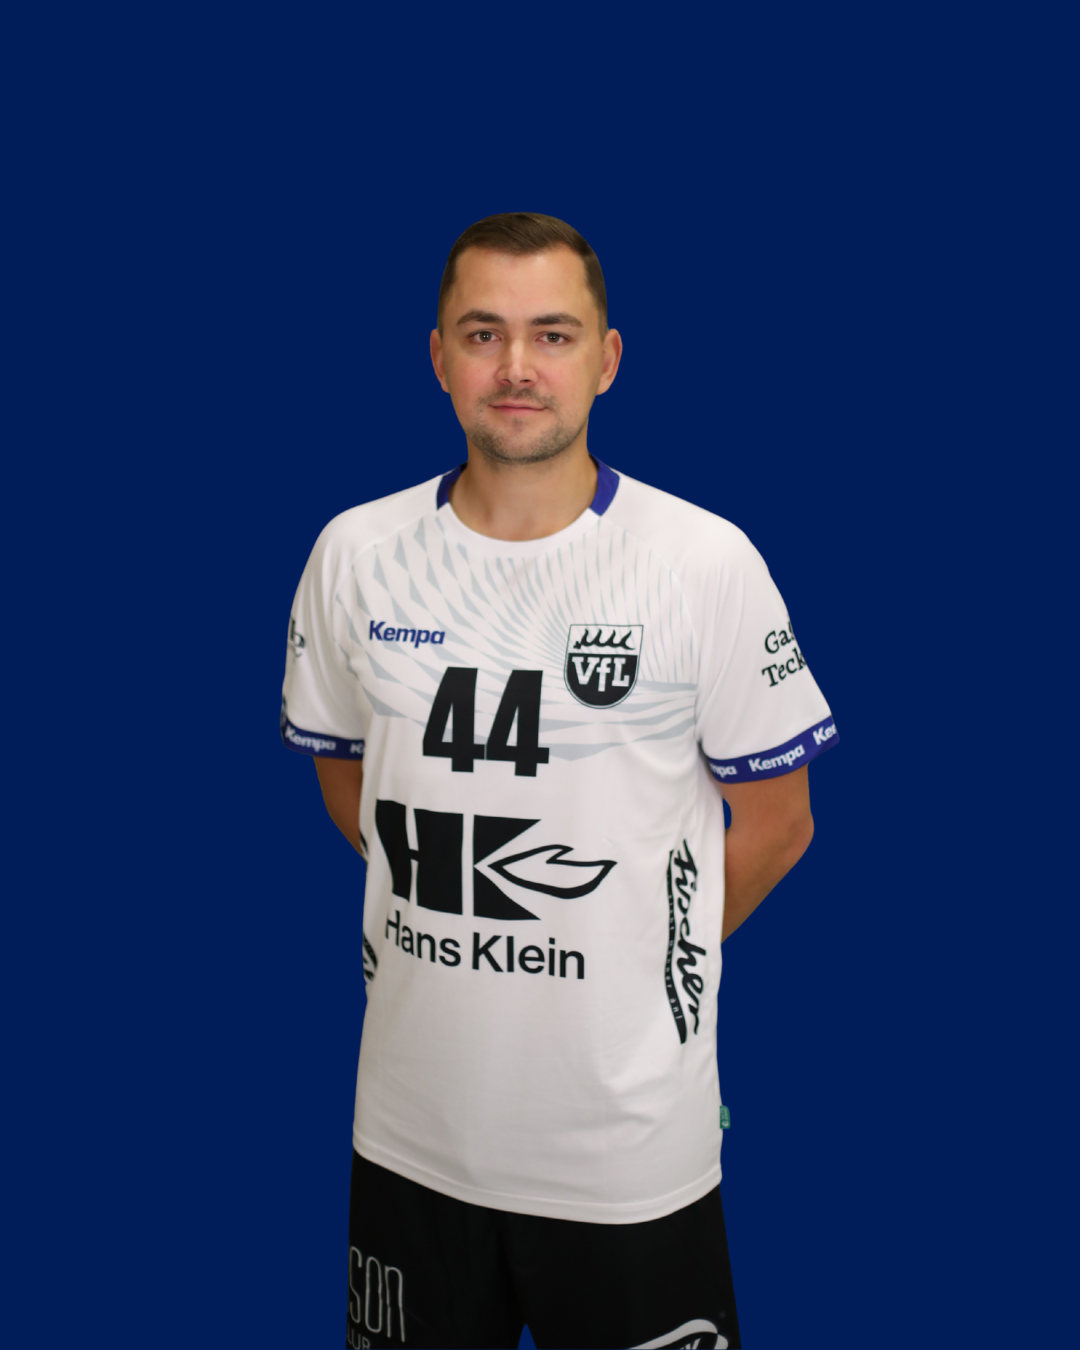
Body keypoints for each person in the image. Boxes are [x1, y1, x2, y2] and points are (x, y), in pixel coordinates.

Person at [281, 212, 839, 1350]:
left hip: (625, 1153)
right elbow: (352, 784)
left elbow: (779, 824)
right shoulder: (355, 553)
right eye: (483, 333)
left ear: (607, 358)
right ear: (439, 356)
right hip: (410, 1134)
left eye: (553, 334)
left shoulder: (701, 561)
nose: (517, 368)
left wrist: (637, 957)